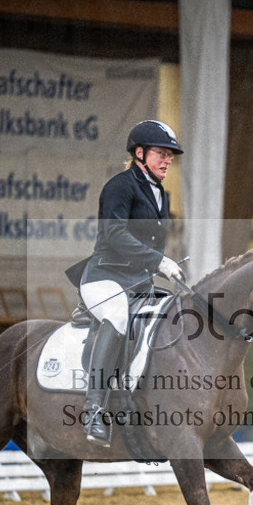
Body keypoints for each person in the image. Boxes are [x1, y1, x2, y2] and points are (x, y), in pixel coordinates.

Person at [65, 120, 185, 447]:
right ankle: (93, 407)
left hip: (137, 281)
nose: (166, 160)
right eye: (161, 153)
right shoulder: (120, 186)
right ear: (140, 153)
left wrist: (164, 268)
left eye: (170, 156)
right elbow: (115, 234)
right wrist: (159, 262)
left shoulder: (160, 194)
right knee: (117, 315)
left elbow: (151, 245)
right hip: (104, 277)